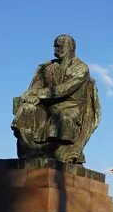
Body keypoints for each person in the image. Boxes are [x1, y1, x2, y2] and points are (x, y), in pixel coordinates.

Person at [11, 34, 101, 164]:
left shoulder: (81, 68)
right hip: (47, 105)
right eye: (55, 46)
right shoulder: (47, 67)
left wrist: (38, 94)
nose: (55, 49)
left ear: (70, 48)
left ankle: (57, 153)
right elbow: (34, 88)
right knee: (26, 109)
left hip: (71, 105)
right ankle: (30, 151)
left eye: (59, 46)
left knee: (64, 117)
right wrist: (32, 97)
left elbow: (63, 90)